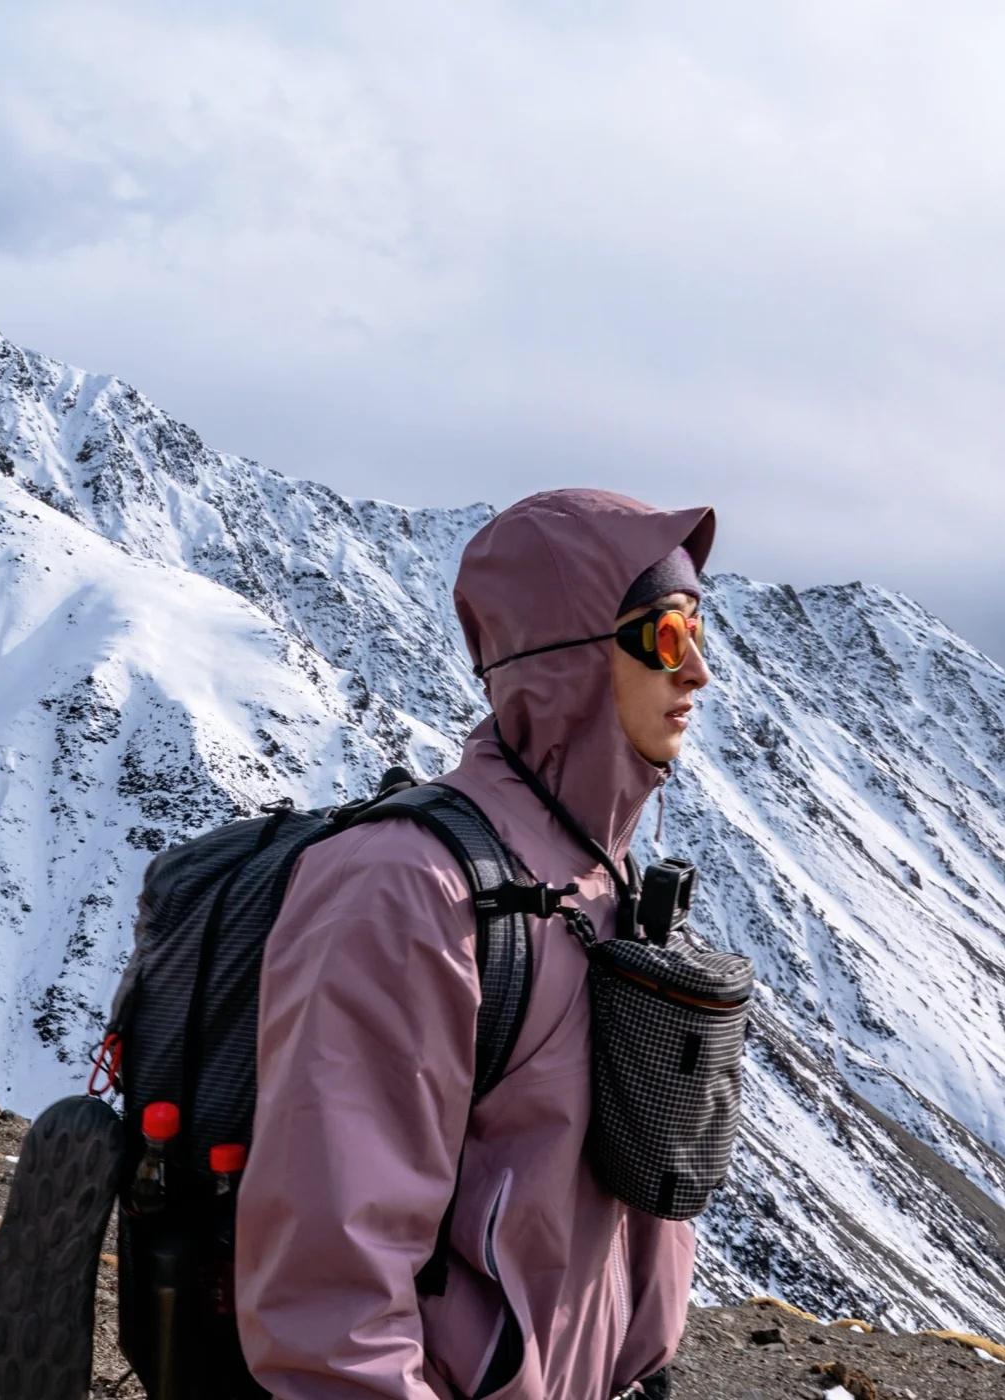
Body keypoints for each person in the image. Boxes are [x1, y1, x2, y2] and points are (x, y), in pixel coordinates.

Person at [236, 487, 715, 1400]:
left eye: (697, 627)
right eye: (663, 634)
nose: (696, 669)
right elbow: (331, 1314)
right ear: (567, 657)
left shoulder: (599, 877)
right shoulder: (406, 891)